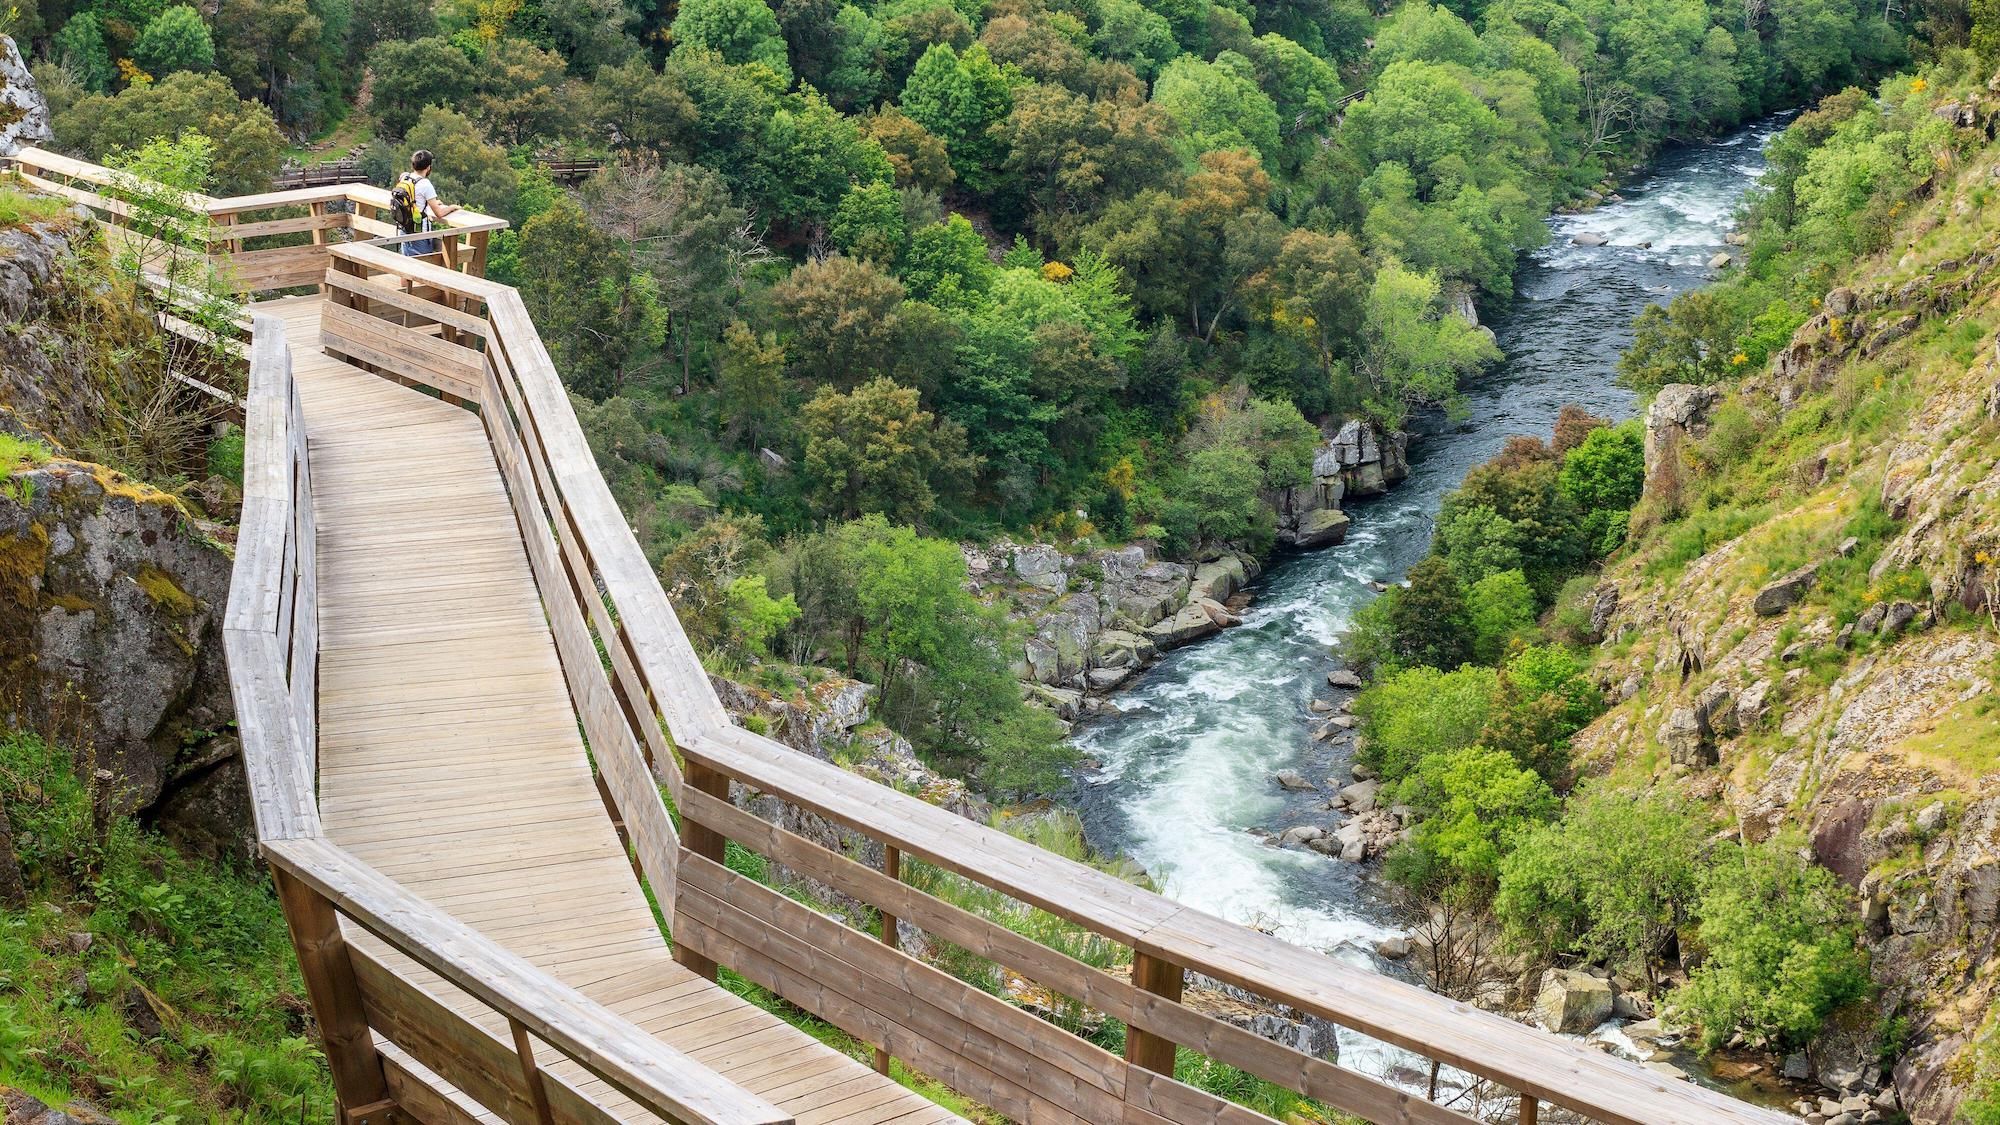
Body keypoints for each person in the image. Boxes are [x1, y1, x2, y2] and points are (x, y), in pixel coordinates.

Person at [396, 150, 459, 258]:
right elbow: (439, 213)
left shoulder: (405, 178)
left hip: (404, 228)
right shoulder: (425, 184)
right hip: (419, 231)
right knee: (423, 266)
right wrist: (451, 207)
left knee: (407, 265)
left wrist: (430, 203)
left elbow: (413, 200)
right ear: (428, 167)